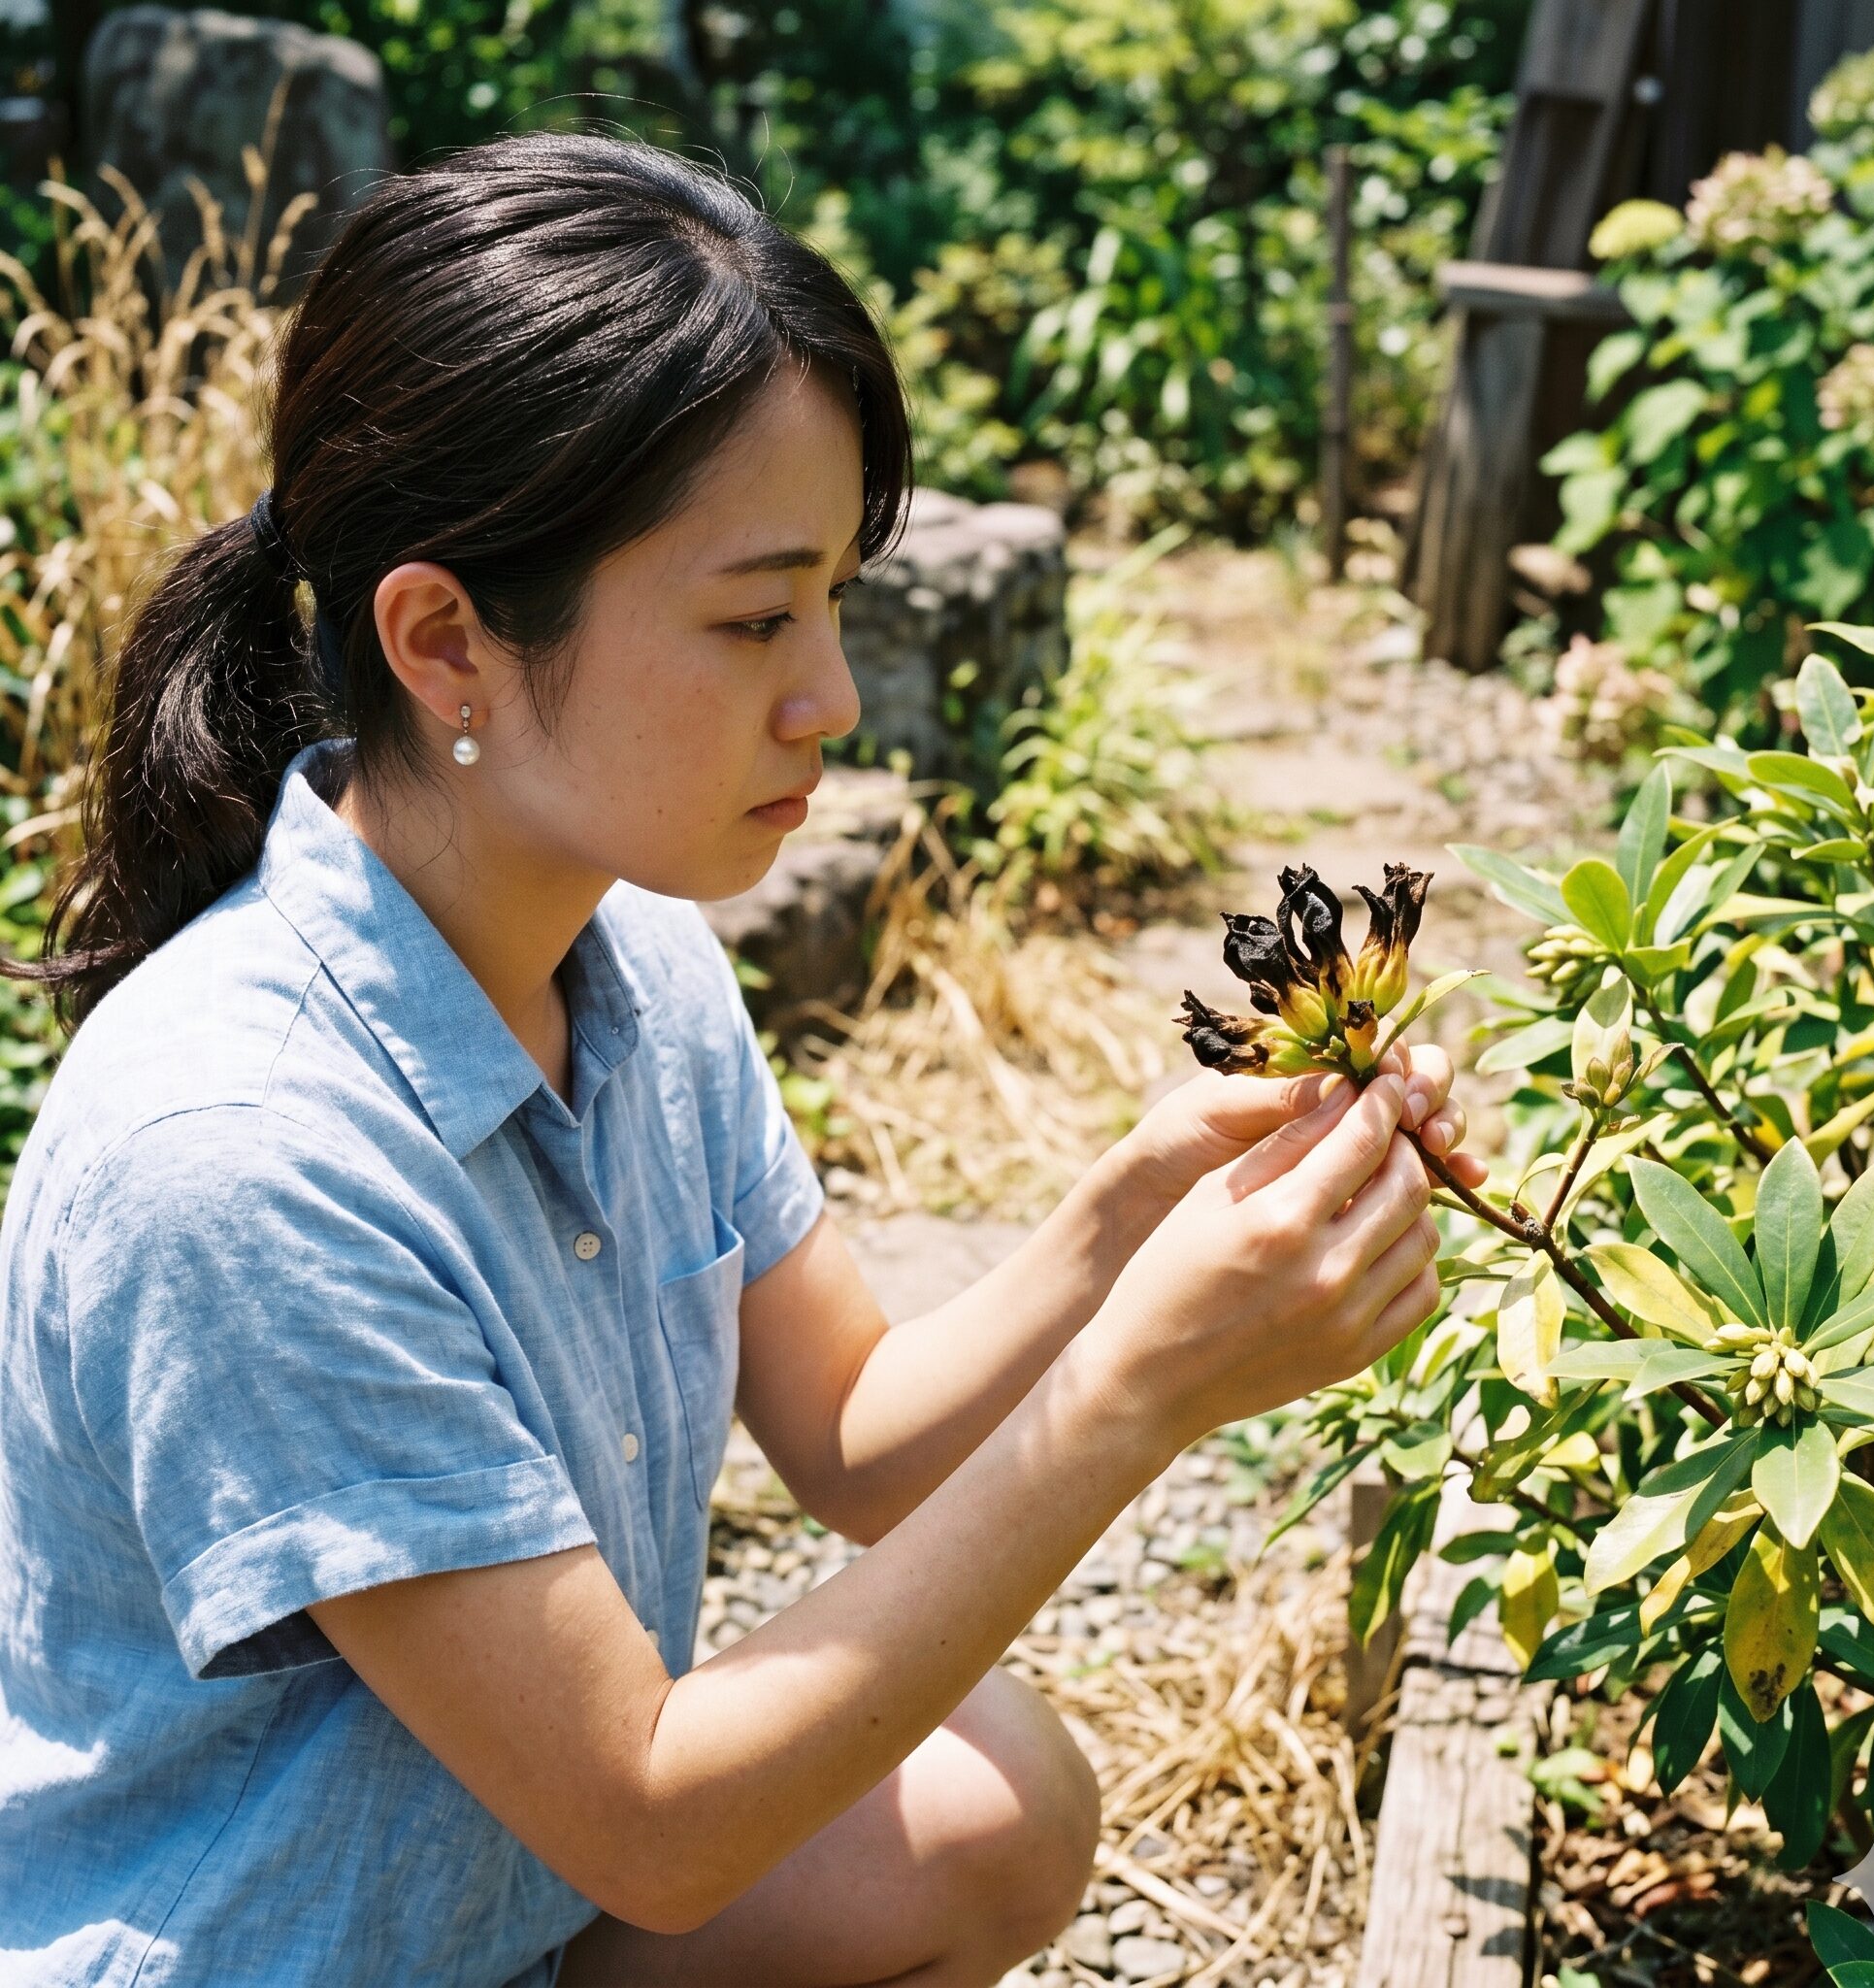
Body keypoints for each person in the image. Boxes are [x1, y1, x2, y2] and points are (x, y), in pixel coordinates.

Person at [0, 132, 1481, 1988]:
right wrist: (1136, 1393)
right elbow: (654, 1819)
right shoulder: (239, 1153)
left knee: (991, 1798)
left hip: (494, 1906)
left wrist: (1138, 1213)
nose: (834, 698)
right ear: (446, 642)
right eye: (753, 616)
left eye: (838, 598)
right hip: (270, 1950)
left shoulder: (637, 965)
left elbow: (857, 1441)